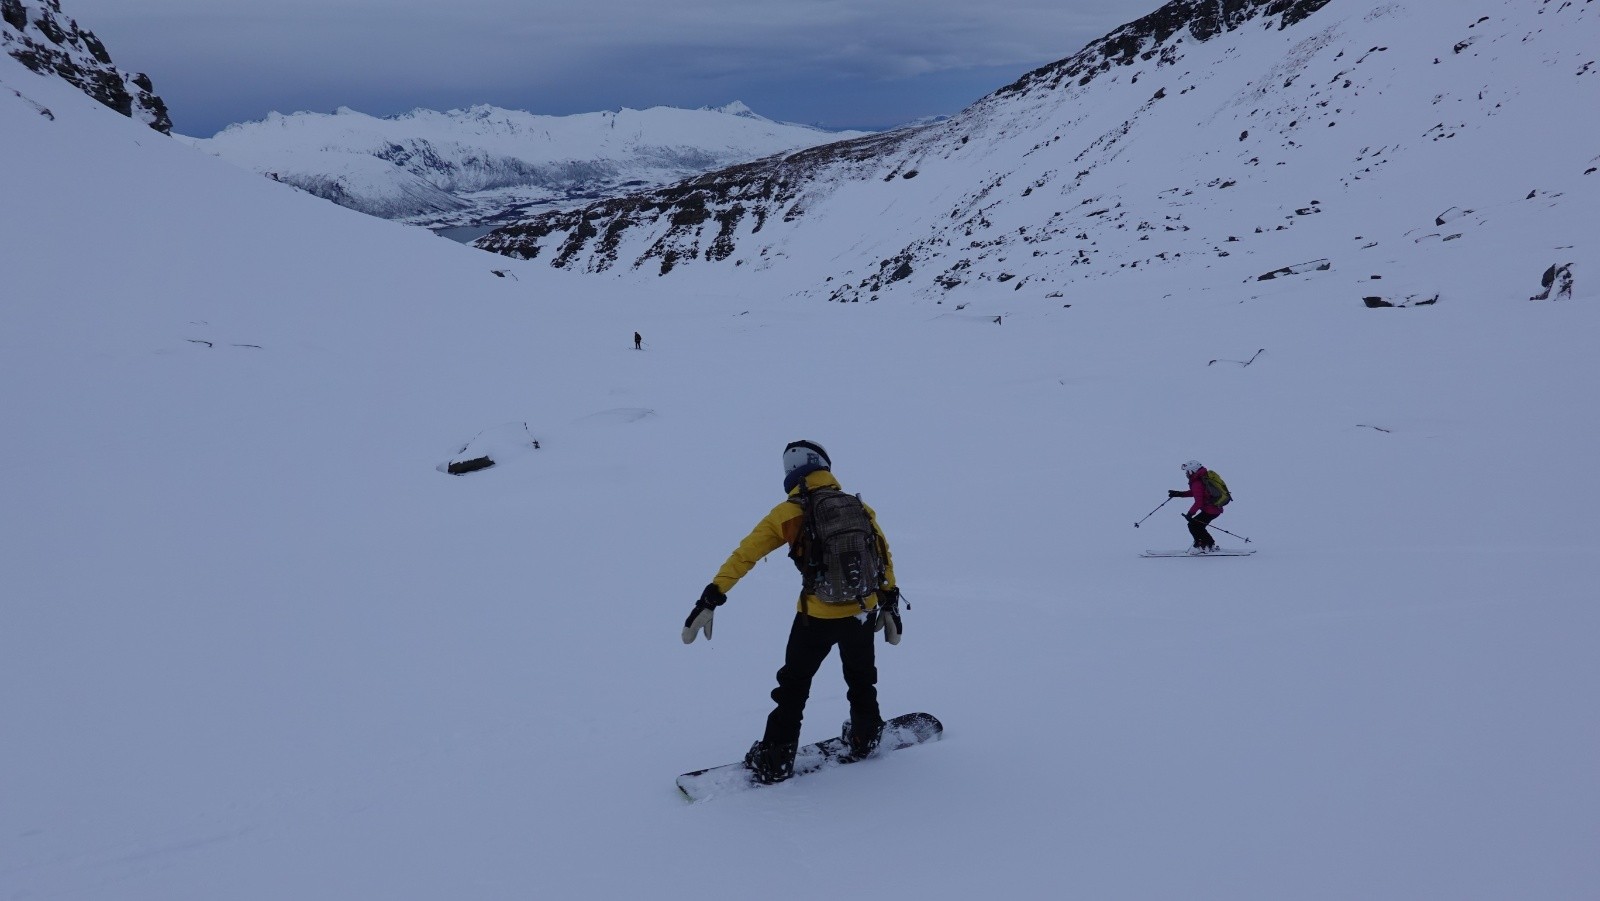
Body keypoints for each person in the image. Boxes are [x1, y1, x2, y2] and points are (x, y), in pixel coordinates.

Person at [681, 440, 901, 784]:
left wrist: (712, 596)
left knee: (793, 688)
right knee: (861, 679)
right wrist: (889, 601)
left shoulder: (789, 513)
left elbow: (745, 556)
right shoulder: (859, 507)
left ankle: (775, 759)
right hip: (863, 611)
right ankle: (865, 736)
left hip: (817, 617)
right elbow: (883, 555)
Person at [1169, 459, 1223, 553]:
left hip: (1210, 510)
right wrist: (1179, 494)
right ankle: (1209, 544)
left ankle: (1202, 545)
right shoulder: (1201, 478)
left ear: (1192, 471)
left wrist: (1190, 514)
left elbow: (1199, 502)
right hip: (1214, 509)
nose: (1186, 474)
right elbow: (1197, 493)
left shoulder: (1197, 482)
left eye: (1187, 471)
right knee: (1197, 526)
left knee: (1193, 525)